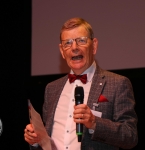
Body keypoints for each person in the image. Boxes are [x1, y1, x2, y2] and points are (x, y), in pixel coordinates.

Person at [24, 17, 138, 150]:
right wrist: (36, 140)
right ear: (62, 51)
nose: (74, 48)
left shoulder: (118, 84)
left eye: (81, 41)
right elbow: (48, 138)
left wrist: (95, 123)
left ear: (94, 45)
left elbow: (130, 136)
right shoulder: (51, 89)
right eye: (68, 43)